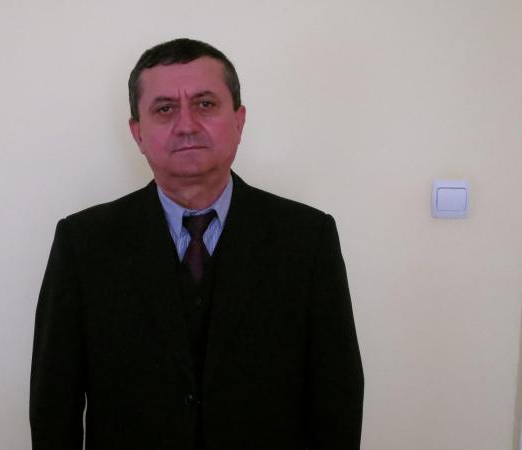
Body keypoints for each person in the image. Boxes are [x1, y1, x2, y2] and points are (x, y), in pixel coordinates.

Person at [30, 38, 364, 450]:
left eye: (205, 104)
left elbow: (338, 397)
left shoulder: (308, 239)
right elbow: (54, 405)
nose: (186, 125)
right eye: (164, 109)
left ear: (239, 121)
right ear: (137, 133)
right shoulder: (82, 243)